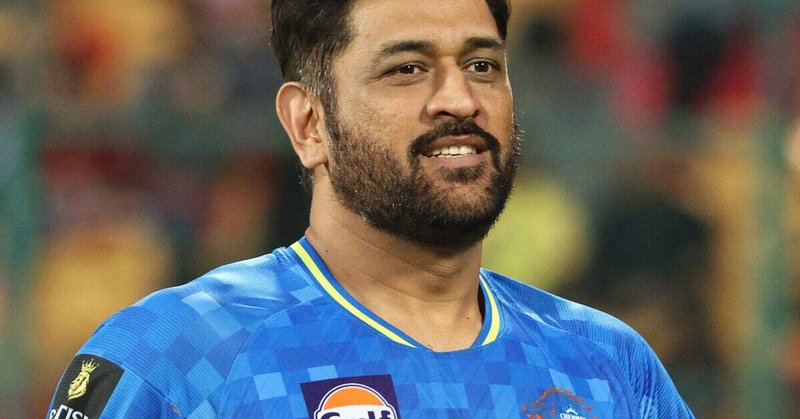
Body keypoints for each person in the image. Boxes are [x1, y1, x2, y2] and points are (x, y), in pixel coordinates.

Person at [46, 0, 695, 417]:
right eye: (406, 69)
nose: (461, 99)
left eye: (482, 65)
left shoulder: (609, 364)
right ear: (308, 124)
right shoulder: (174, 358)